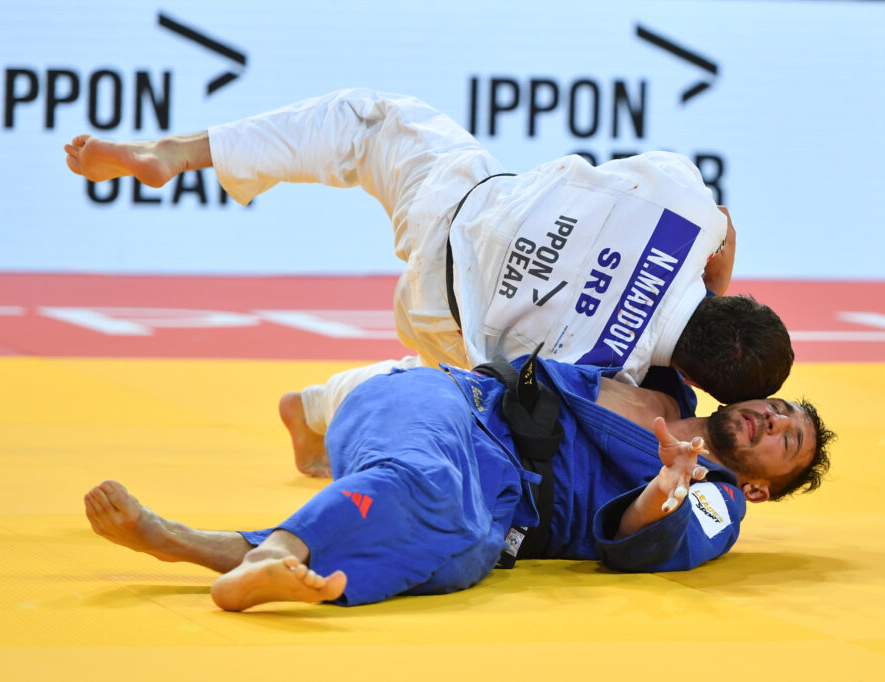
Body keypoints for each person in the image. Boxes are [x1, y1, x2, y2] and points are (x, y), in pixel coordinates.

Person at [65, 89, 794, 475]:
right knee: (442, 382)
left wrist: (706, 272)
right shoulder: (617, 374)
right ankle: (318, 405)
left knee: (367, 123)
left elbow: (723, 228)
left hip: (457, 206)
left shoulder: (687, 203)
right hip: (444, 315)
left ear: (736, 298)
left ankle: (178, 152)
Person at [84, 354, 834, 611]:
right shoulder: (662, 379)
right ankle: (274, 549)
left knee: (453, 541)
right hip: (451, 399)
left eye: (785, 437)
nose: (770, 422)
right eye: (773, 409)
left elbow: (640, 542)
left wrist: (664, 485)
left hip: (499, 500)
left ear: (764, 487)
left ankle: (220, 550)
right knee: (420, 472)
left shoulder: (716, 499)